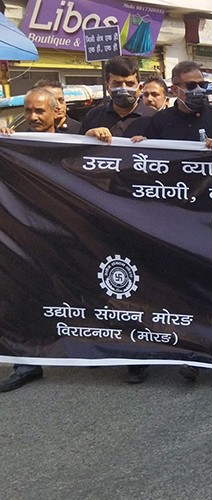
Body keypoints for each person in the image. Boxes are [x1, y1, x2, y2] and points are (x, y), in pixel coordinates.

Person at [0, 88, 60, 392]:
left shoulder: (76, 141)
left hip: (69, 238)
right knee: (20, 297)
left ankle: (118, 355)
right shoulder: (13, 145)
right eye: (28, 111)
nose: (32, 117)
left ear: (55, 112)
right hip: (25, 237)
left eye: (39, 111)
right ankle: (26, 362)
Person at [135, 60, 212, 149]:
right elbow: (151, 154)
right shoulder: (160, 119)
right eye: (191, 86)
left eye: (202, 84)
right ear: (175, 90)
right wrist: (142, 144)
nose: (198, 89)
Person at [81, 55, 156, 144]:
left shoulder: (154, 118)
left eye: (130, 83)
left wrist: (148, 144)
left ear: (140, 88)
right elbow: (77, 150)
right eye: (117, 84)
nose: (123, 89)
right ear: (107, 87)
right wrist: (88, 137)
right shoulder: (93, 116)